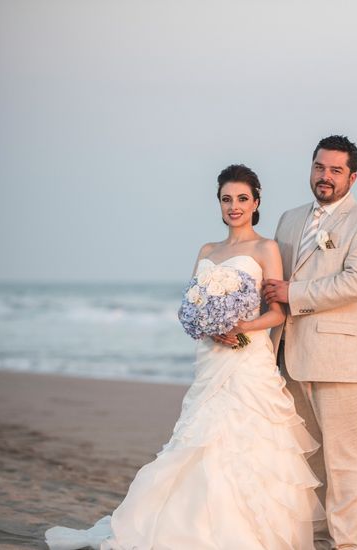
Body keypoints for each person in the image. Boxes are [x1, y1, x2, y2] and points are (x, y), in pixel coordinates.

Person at [45, 164, 324, 549]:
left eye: (242, 199)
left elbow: (277, 312)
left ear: (256, 202)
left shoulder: (266, 248)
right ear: (219, 204)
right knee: (198, 438)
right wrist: (209, 325)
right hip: (211, 356)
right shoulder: (208, 251)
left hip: (247, 359)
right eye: (227, 199)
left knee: (248, 442)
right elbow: (190, 306)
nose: (234, 206)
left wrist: (240, 326)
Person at [263, 135, 357, 550]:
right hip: (287, 355)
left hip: (341, 358)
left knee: (345, 459)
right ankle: (315, 537)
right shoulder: (289, 219)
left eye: (336, 170)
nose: (325, 177)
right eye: (320, 167)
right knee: (306, 455)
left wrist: (293, 295)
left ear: (352, 176)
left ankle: (347, 544)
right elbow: (271, 279)